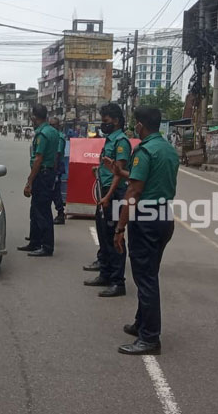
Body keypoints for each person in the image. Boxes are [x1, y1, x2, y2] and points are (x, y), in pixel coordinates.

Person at [113, 106, 179, 355]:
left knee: (146, 278)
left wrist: (120, 228)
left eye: (135, 124)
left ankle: (150, 338)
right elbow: (146, 178)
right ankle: (142, 322)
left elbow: (134, 191)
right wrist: (121, 172)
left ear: (141, 125)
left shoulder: (144, 151)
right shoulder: (167, 149)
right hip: (164, 216)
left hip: (147, 218)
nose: (134, 128)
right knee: (148, 272)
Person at [83, 103, 132, 298]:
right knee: (103, 236)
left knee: (114, 238)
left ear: (116, 121)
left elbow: (118, 174)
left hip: (114, 194)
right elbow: (109, 168)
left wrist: (108, 196)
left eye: (106, 121)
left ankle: (117, 282)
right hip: (105, 193)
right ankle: (105, 274)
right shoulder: (110, 140)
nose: (103, 125)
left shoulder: (121, 142)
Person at [18, 105, 60, 257]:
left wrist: (30, 180)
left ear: (35, 117)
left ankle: (46, 246)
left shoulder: (42, 134)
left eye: (32, 117)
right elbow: (56, 156)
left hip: (42, 174)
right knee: (35, 209)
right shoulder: (54, 132)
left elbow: (38, 159)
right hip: (48, 173)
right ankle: (34, 242)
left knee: (42, 211)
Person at [49, 117, 67, 225]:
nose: (51, 127)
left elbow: (57, 154)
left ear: (58, 126)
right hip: (54, 167)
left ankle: (61, 213)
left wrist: (54, 171)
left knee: (55, 192)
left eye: (53, 125)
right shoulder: (54, 136)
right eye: (50, 125)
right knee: (54, 192)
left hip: (56, 167)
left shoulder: (59, 137)